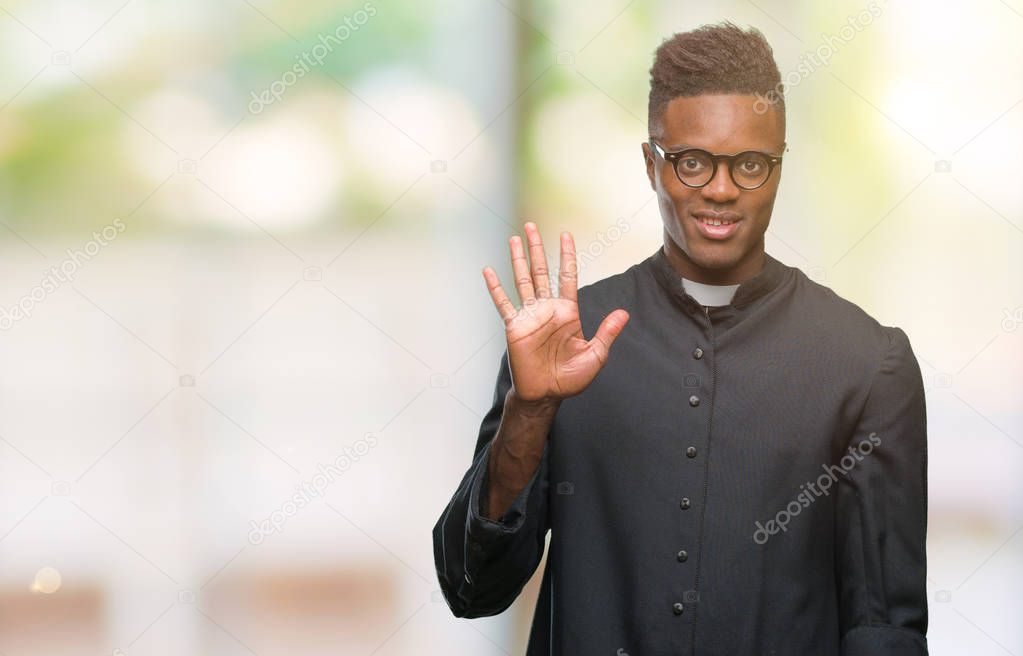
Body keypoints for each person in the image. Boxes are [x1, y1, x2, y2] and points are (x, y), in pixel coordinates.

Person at [432, 21, 928, 655]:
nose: (720, 191)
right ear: (651, 163)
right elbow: (471, 590)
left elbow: (884, 630)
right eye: (692, 162)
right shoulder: (566, 341)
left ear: (778, 166)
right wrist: (528, 413)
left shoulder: (867, 364)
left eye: (749, 164)